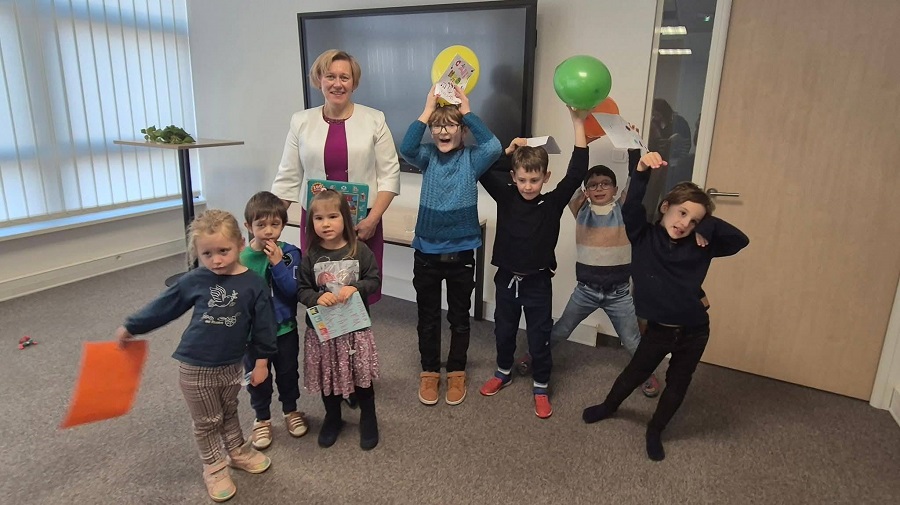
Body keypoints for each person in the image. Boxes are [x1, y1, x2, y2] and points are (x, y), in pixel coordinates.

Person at [582, 151, 749, 461]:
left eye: (694, 220)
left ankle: (655, 429)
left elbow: (740, 240)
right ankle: (609, 406)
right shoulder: (643, 236)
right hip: (659, 330)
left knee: (678, 383)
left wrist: (709, 226)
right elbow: (632, 206)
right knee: (635, 373)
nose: (685, 223)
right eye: (682, 213)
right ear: (665, 207)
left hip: (694, 331)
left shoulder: (701, 245)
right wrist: (641, 170)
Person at [115, 209, 276, 502]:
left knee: (229, 411)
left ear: (241, 243)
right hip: (196, 365)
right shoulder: (197, 279)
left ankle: (238, 451)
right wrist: (132, 326)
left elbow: (265, 326)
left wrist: (262, 362)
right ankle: (214, 467)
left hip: (232, 364)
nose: (216, 260)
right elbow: (165, 305)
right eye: (207, 254)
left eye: (223, 251)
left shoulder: (255, 283)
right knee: (207, 421)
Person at [514, 150, 662, 397]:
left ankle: (646, 373)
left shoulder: (624, 210)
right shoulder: (581, 209)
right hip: (586, 291)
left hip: (619, 294)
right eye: (593, 185)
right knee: (561, 329)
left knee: (631, 340)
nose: (599, 188)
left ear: (615, 189)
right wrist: (582, 144)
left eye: (605, 184)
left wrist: (633, 149)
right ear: (586, 191)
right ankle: (533, 355)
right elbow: (573, 177)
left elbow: (636, 182)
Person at [477, 107, 589, 419]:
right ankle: (503, 371)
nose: (528, 186)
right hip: (506, 280)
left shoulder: (552, 203)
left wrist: (578, 123)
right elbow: (481, 168)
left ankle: (541, 385)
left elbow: (577, 172)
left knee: (539, 336)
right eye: (523, 179)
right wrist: (508, 151)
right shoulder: (506, 196)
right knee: (503, 331)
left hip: (537, 283)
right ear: (513, 177)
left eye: (535, 180)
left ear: (545, 178)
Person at [271, 48, 401, 305]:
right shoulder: (301, 121)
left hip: (364, 224)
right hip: (318, 223)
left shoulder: (375, 119)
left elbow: (390, 175)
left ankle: (357, 335)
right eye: (330, 76)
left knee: (357, 291)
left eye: (345, 77)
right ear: (319, 79)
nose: (337, 84)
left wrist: (373, 219)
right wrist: (269, 222)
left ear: (354, 82)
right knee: (319, 290)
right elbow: (288, 176)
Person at [399, 84, 501, 407]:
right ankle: (429, 371)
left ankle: (457, 371)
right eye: (437, 126)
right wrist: (428, 109)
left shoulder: (472, 159)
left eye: (451, 125)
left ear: (463, 130)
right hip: (426, 254)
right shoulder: (427, 156)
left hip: (461, 255)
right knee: (428, 317)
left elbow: (494, 146)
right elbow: (406, 146)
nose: (443, 131)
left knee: (459, 317)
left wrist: (467, 111)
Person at [297, 189, 381, 450]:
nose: (326, 224)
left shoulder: (360, 250)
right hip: (324, 333)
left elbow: (374, 280)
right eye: (319, 218)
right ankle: (333, 417)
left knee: (361, 375)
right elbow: (302, 290)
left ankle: (368, 416)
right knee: (329, 376)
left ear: (345, 218)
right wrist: (316, 298)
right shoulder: (310, 256)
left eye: (332, 216)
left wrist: (355, 287)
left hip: (355, 330)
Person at [239, 191, 307, 450]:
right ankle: (262, 418)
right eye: (261, 224)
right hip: (253, 335)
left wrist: (277, 264)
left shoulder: (290, 254)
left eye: (275, 224)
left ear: (283, 224)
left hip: (284, 329)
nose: (268, 231)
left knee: (288, 372)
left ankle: (291, 410)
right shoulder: (242, 258)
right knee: (258, 378)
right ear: (249, 226)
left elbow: (293, 291)